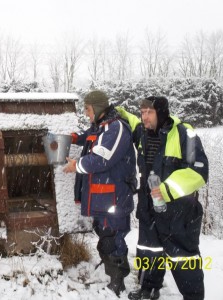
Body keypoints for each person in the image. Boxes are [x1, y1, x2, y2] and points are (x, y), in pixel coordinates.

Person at [117, 96, 209, 300]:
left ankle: (194, 297)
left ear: (162, 113)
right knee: (150, 251)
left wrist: (166, 190)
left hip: (180, 212)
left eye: (149, 112)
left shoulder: (185, 133)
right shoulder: (142, 132)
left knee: (183, 260)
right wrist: (122, 113)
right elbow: (133, 124)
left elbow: (199, 170)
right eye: (142, 112)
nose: (144, 117)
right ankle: (149, 289)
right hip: (149, 208)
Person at [63, 90, 137, 296]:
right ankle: (110, 271)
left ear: (97, 108)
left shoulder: (117, 128)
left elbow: (102, 159)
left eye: (87, 109)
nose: (86, 113)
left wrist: (77, 165)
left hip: (115, 197)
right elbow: (89, 137)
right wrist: (73, 138)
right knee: (104, 233)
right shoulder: (101, 127)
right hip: (104, 198)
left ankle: (117, 280)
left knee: (114, 237)